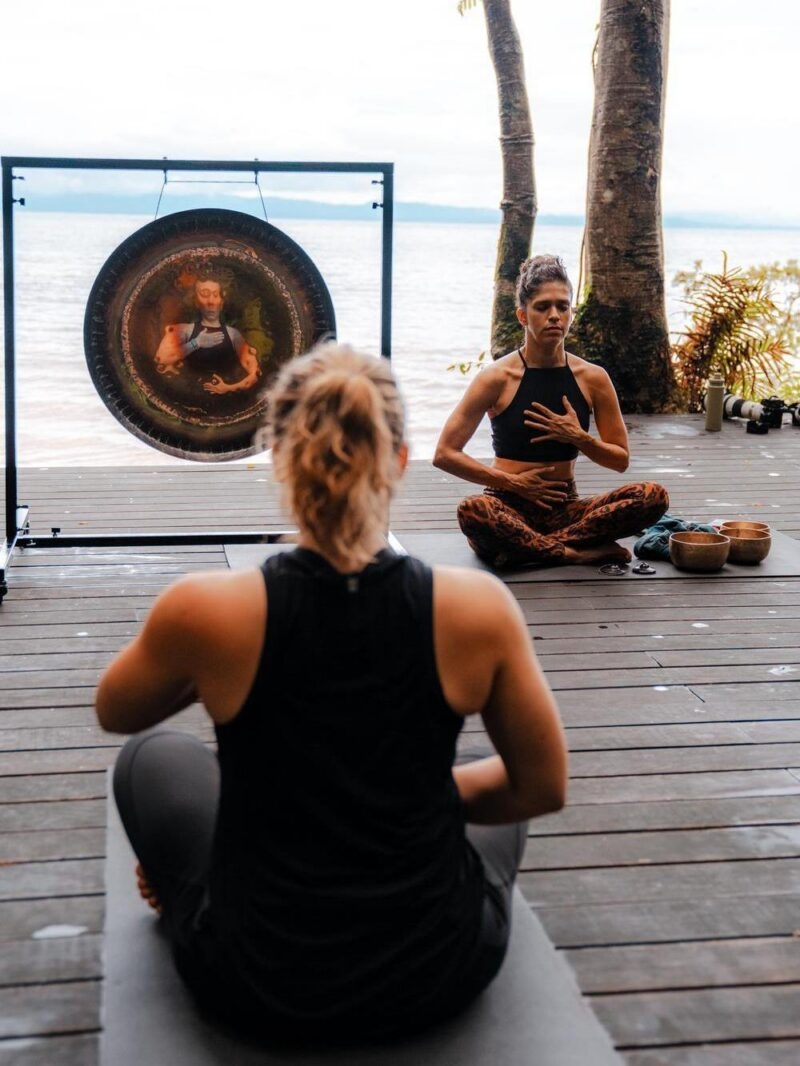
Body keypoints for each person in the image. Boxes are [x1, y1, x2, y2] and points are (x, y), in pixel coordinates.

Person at [96, 343, 568, 1044]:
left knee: (155, 756)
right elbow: (543, 787)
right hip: (437, 968)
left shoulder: (204, 611)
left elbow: (118, 711)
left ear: (279, 457)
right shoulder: (477, 609)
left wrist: (211, 667)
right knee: (509, 784)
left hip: (255, 976)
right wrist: (424, 796)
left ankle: (196, 885)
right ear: (398, 460)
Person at [434, 255, 669, 568]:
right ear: (522, 315)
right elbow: (445, 454)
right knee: (475, 511)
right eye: (543, 307)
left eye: (563, 306)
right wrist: (514, 483)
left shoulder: (593, 378)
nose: (555, 316)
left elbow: (619, 460)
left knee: (653, 496)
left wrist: (579, 437)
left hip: (566, 509)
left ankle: (527, 549)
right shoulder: (496, 378)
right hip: (507, 505)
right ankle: (573, 553)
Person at [154, 274, 261, 394]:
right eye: (204, 294)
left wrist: (228, 388)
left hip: (226, 406)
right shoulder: (183, 330)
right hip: (185, 396)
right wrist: (196, 343)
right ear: (195, 301)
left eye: (215, 295)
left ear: (221, 302)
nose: (211, 301)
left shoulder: (233, 335)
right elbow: (162, 360)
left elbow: (254, 373)